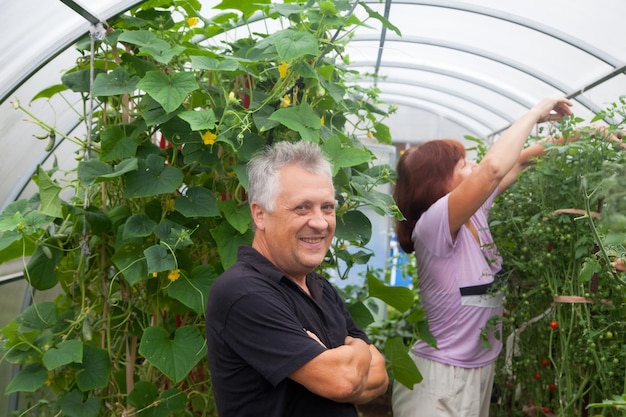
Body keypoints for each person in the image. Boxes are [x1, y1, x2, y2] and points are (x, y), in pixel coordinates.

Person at [391, 97, 575, 417]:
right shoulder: (433, 225)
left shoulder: (473, 217)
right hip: (438, 383)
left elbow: (519, 161)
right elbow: (492, 168)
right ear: (437, 185)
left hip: (476, 373)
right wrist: (536, 112)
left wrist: (581, 137)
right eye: (463, 165)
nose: (474, 166)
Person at [205, 140, 389, 417]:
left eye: (327, 207)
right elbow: (344, 382)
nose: (320, 222)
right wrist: (359, 350)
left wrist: (352, 354)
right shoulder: (243, 292)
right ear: (259, 214)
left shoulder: (319, 287)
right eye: (302, 208)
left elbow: (380, 377)